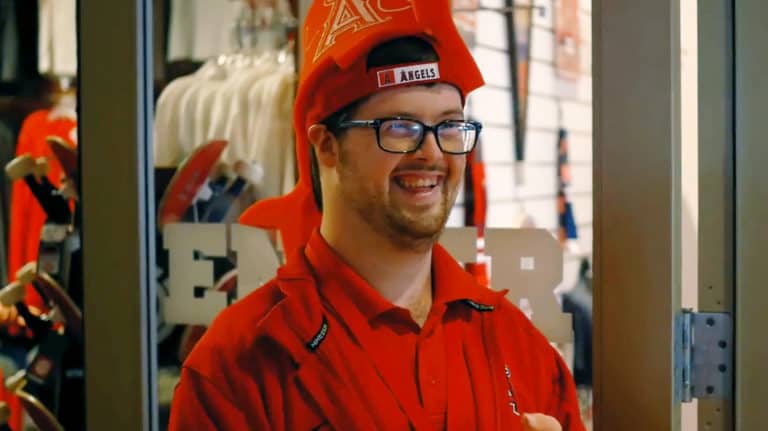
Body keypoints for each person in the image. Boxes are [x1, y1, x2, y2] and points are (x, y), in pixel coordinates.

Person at [169, 1, 586, 430]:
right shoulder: (238, 369)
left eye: (449, 126)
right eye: (400, 127)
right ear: (327, 146)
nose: (432, 153)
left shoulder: (520, 349)